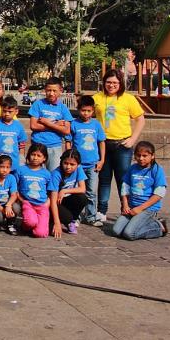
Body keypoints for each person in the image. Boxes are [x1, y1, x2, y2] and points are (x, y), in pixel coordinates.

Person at [93, 69, 146, 226]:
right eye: (109, 82)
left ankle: (126, 207)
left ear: (121, 83)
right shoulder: (97, 98)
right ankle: (101, 211)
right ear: (104, 83)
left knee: (123, 179)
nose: (111, 85)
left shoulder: (128, 99)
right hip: (103, 144)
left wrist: (132, 139)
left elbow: (140, 119)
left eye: (115, 82)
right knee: (103, 179)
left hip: (122, 144)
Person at [111, 141, 168, 240]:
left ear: (152, 156)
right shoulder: (132, 168)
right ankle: (138, 223)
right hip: (132, 207)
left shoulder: (157, 170)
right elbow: (125, 187)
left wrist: (140, 208)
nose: (141, 158)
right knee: (116, 231)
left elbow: (159, 193)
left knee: (129, 234)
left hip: (148, 209)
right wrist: (125, 204)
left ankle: (158, 226)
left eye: (145, 156)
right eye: (138, 155)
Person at [68, 95, 106, 226]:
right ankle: (75, 216)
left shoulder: (96, 125)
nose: (86, 113)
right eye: (83, 110)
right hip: (77, 165)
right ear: (78, 110)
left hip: (92, 164)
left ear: (93, 111)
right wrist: (69, 158)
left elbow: (101, 142)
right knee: (76, 190)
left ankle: (91, 216)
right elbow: (69, 141)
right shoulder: (74, 124)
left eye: (89, 111)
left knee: (91, 191)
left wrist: (102, 160)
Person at [28, 77, 72, 172]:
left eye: (54, 91)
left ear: (60, 91)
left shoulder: (63, 108)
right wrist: (56, 125)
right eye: (49, 90)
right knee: (37, 175)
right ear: (45, 90)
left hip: (55, 147)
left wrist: (47, 123)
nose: (51, 93)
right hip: (38, 146)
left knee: (53, 176)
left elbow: (66, 130)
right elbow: (33, 126)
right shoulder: (38, 104)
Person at [15, 143, 53, 238]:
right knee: (30, 222)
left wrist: (47, 203)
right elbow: (15, 187)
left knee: (40, 234)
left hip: (42, 206)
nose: (35, 158)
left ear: (44, 158)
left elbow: (50, 191)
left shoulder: (47, 174)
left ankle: (38, 225)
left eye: (39, 156)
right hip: (27, 204)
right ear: (28, 155)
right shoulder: (21, 170)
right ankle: (26, 225)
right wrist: (22, 200)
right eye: (33, 155)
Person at [48, 149, 87, 238]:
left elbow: (82, 189)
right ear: (61, 162)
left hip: (66, 199)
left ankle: (71, 221)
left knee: (82, 198)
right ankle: (58, 220)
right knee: (67, 218)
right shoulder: (56, 174)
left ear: (78, 165)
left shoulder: (79, 169)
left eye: (72, 164)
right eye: (65, 163)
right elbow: (53, 202)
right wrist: (57, 223)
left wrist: (64, 191)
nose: (68, 167)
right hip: (54, 203)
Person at [0, 95, 26, 169]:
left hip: (14, 165)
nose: (7, 114)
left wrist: (21, 161)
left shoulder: (19, 126)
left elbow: (22, 145)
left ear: (16, 111)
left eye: (10, 111)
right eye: (4, 111)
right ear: (1, 109)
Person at [0, 155, 21, 234]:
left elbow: (14, 194)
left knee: (16, 207)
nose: (5, 170)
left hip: (7, 205)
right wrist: (2, 209)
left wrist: (8, 205)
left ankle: (10, 224)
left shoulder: (11, 178)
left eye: (8, 167)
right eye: (2, 167)